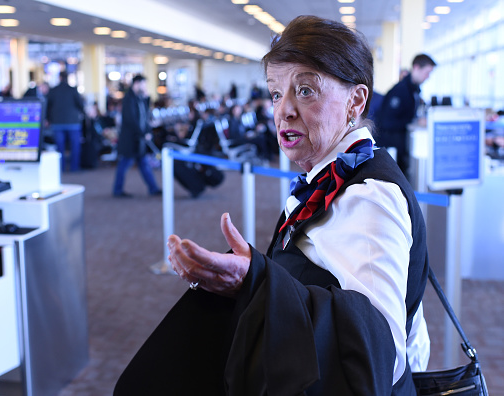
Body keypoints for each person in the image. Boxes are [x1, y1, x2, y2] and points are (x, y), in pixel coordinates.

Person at [115, 15, 430, 395]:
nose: (284, 111)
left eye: (306, 90)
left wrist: (259, 281)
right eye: (277, 93)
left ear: (355, 100)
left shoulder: (369, 197)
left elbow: (380, 353)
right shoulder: (336, 176)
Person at [377, 54, 436, 178]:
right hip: (391, 148)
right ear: (416, 67)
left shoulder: (414, 90)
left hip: (402, 145)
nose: (428, 77)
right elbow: (387, 122)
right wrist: (412, 122)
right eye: (427, 73)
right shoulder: (400, 90)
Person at [112, 75, 161, 197]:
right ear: (137, 83)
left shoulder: (139, 98)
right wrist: (143, 133)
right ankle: (117, 190)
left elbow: (145, 115)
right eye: (143, 84)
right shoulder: (129, 99)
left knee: (143, 163)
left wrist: (147, 96)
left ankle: (153, 188)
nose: (145, 87)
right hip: (130, 139)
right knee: (124, 164)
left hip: (138, 140)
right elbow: (131, 120)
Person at [46, 70, 85, 172]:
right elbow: (80, 105)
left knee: (60, 148)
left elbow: (48, 106)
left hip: (57, 122)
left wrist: (48, 119)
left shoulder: (53, 90)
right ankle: (74, 167)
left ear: (59, 77)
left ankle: (61, 168)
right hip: (73, 122)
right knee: (75, 146)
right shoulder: (73, 90)